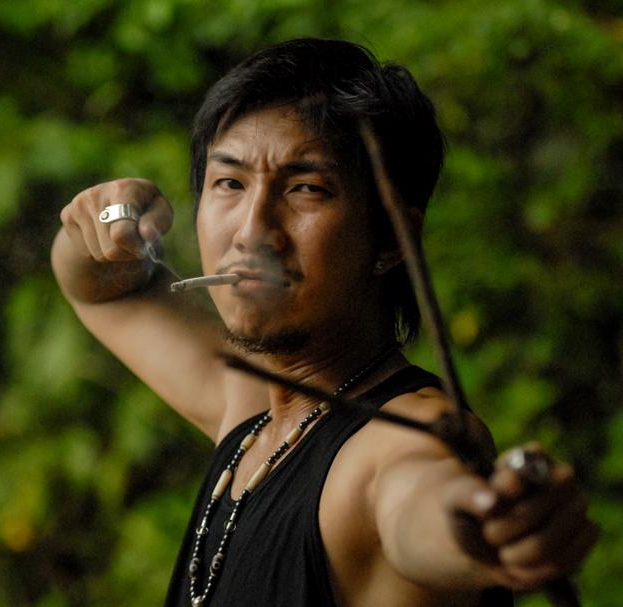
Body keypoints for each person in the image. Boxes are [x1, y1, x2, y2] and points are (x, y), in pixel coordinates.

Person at [51, 38, 598, 606]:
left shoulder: (395, 439)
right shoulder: (256, 411)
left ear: (391, 238)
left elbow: (420, 501)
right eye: (230, 183)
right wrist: (110, 218)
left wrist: (481, 528)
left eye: (306, 189)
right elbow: (103, 290)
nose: (253, 232)